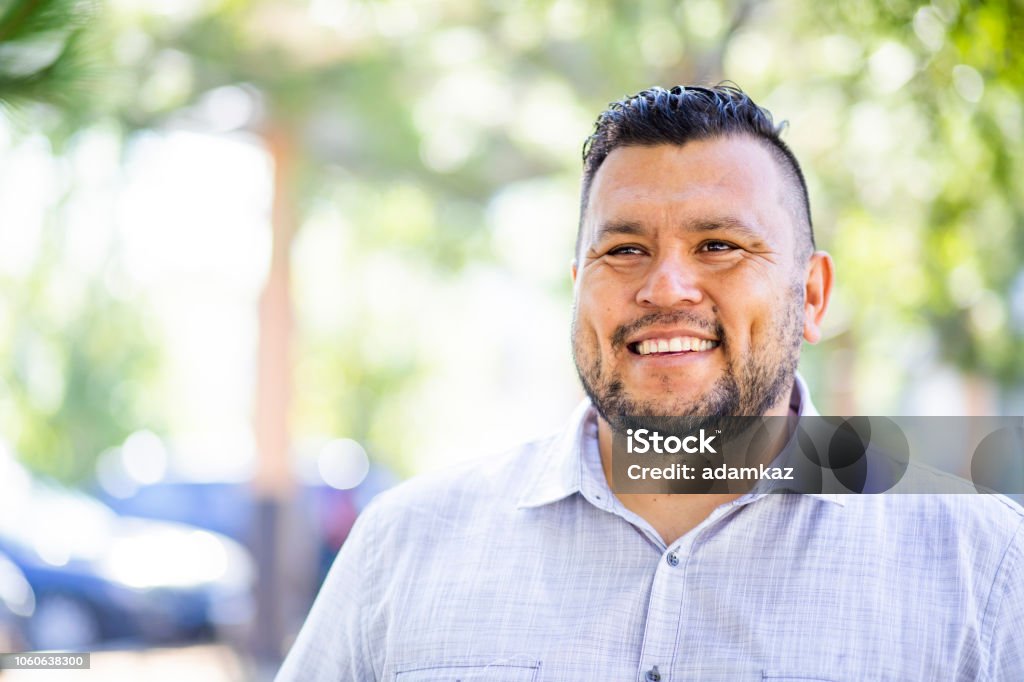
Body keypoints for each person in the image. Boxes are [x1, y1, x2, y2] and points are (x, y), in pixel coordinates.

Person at [276, 85, 1023, 681]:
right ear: (578, 289)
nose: (666, 287)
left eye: (720, 245)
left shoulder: (982, 568)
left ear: (814, 297)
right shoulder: (402, 548)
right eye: (625, 248)